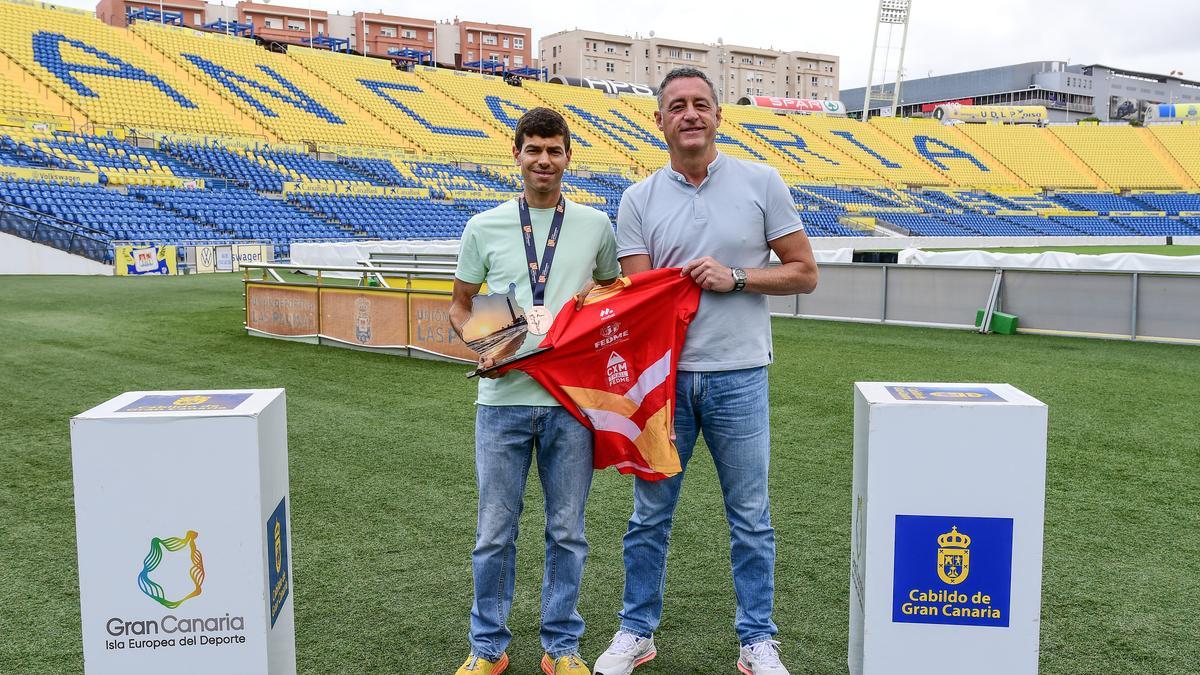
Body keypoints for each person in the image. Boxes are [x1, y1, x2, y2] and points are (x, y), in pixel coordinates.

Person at [591, 67, 819, 675]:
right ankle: (636, 631)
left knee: (750, 515)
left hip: (739, 375)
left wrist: (736, 276)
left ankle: (757, 640)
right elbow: (638, 293)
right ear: (659, 120)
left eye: (701, 104)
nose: (690, 114)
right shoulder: (638, 198)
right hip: (661, 385)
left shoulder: (762, 182)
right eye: (677, 106)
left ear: (718, 116)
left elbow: (804, 271)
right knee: (648, 516)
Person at [450, 107, 621, 675]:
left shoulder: (597, 225)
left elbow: (609, 296)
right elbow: (461, 303)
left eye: (554, 150)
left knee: (567, 530)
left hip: (570, 404)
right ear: (516, 155)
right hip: (501, 404)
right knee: (494, 533)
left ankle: (562, 647)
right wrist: (483, 347)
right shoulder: (485, 226)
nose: (543, 160)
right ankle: (487, 649)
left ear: (569, 157)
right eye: (533, 149)